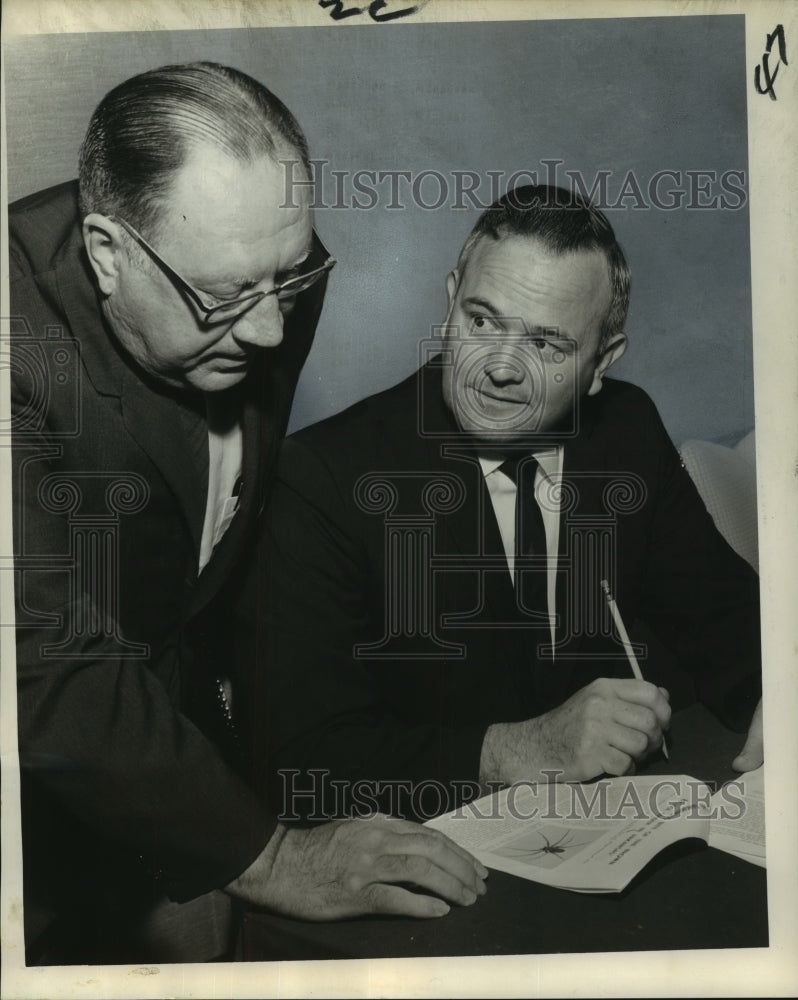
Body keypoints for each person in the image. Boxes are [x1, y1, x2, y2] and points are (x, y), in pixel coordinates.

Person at [8, 61, 486, 966]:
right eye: (226, 298)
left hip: (176, 748)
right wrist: (266, 855)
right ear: (109, 252)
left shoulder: (257, 269)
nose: (270, 333)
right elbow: (42, 655)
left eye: (291, 283)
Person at [251, 184, 764, 825]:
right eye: (482, 320)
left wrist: (776, 692)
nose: (498, 368)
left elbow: (726, 620)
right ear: (449, 302)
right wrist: (517, 750)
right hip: (442, 851)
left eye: (547, 346)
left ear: (602, 362)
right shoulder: (324, 476)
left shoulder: (625, 429)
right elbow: (298, 761)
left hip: (614, 829)